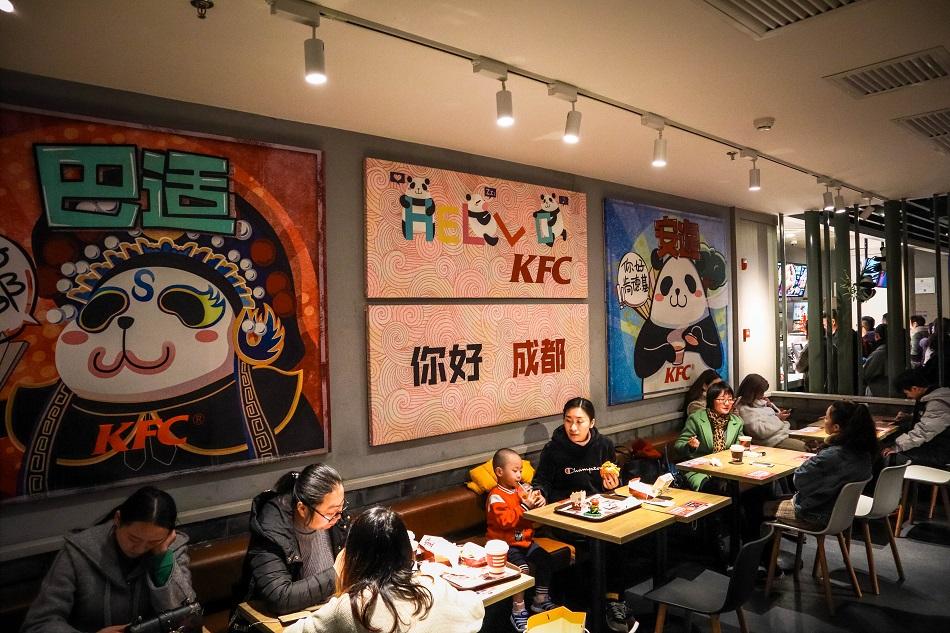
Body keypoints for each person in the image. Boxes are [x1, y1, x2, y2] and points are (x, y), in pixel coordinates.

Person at [21, 486, 195, 633]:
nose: (141, 549)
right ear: (118, 519)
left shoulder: (171, 550)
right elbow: (39, 623)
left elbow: (185, 617)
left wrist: (161, 556)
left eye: (153, 542)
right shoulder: (78, 552)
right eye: (133, 539)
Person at [286, 506, 484, 633]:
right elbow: (475, 608)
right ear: (407, 550)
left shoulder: (352, 606)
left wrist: (339, 577)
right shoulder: (431, 585)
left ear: (354, 555)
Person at [532, 397, 636, 633]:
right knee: (587, 545)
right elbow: (542, 481)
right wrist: (539, 493)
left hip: (599, 510)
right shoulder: (554, 449)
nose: (573, 427)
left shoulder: (604, 445)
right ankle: (583, 610)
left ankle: (613, 600)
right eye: (568, 421)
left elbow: (614, 480)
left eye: (579, 421)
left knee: (618, 539)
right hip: (566, 516)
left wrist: (613, 483)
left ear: (592, 423)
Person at [238, 464, 349, 615]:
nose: (338, 517)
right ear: (302, 509)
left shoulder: (335, 517)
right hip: (283, 620)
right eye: (331, 513)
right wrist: (337, 575)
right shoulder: (271, 529)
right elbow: (279, 598)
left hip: (328, 610)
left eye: (341, 508)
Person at [765, 401, 877, 529]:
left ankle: (760, 547)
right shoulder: (863, 452)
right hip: (842, 513)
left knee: (757, 506)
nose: (824, 420)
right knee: (777, 497)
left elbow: (799, 481)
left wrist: (819, 455)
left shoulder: (832, 455)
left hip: (816, 514)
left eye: (827, 417)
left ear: (836, 427)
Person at [486, 448, 557, 631]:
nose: (519, 475)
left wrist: (539, 503)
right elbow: (505, 521)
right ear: (500, 472)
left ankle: (540, 600)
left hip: (525, 541)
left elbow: (531, 516)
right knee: (522, 569)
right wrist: (525, 506)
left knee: (545, 559)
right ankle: (518, 610)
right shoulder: (496, 496)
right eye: (515, 470)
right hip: (506, 545)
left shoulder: (520, 490)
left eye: (520, 470)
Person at [675, 382, 744, 493]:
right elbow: (678, 446)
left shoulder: (736, 422)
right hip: (700, 470)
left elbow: (740, 446)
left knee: (752, 486)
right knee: (715, 487)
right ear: (712, 400)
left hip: (727, 469)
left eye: (730, 399)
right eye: (722, 399)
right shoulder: (697, 419)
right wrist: (690, 446)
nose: (727, 403)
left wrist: (744, 448)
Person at [882, 369, 950, 469]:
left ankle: (890, 484)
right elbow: (932, 421)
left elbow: (924, 431)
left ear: (915, 388)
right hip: (937, 446)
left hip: (942, 453)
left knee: (890, 457)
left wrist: (897, 447)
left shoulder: (937, 403)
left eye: (906, 393)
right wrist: (909, 417)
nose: (908, 397)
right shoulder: (934, 396)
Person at [733, 373, 807, 451]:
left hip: (782, 433)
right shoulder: (744, 409)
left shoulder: (761, 403)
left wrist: (772, 408)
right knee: (804, 447)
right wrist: (778, 419)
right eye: (761, 392)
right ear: (753, 392)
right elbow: (761, 432)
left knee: (810, 440)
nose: (763, 395)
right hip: (772, 441)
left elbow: (769, 418)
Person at [861, 324, 889, 397]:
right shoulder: (899, 350)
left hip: (878, 392)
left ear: (877, 336)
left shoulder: (879, 353)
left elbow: (866, 374)